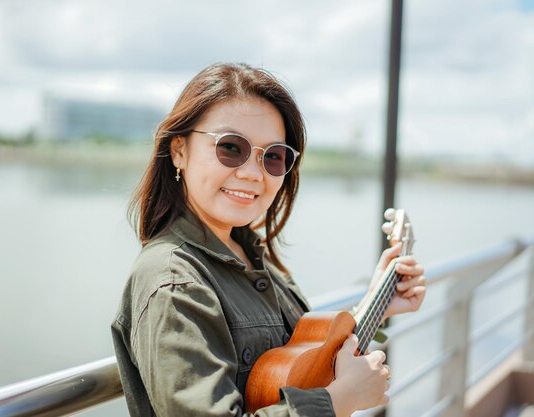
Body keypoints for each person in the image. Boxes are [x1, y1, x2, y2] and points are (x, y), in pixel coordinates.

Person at [111, 62, 426, 417]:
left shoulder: (251, 255)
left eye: (273, 157)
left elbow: (302, 359)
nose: (251, 173)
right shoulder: (173, 282)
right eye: (231, 148)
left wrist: (378, 302)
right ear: (180, 150)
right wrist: (338, 402)